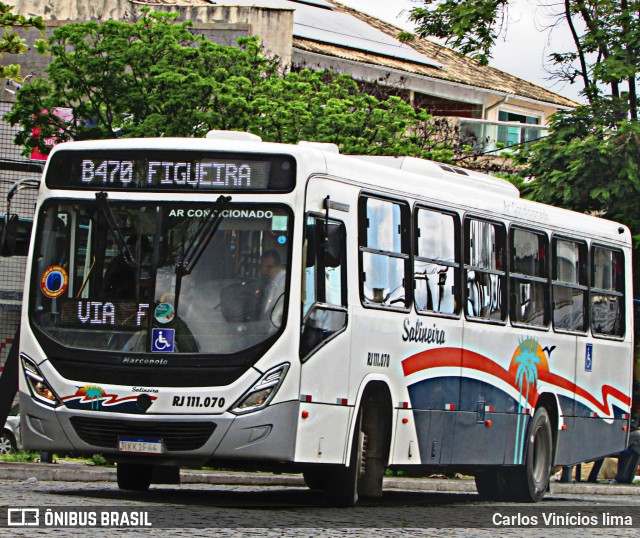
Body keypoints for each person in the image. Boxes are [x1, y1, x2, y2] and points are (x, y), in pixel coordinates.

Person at [102, 235, 151, 300]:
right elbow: (118, 285)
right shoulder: (123, 262)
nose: (145, 254)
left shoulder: (131, 262)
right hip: (116, 303)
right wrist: (141, 284)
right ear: (133, 248)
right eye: (144, 250)